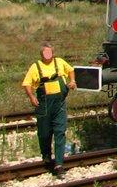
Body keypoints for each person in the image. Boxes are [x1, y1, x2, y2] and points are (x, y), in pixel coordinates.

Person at [21, 42, 76, 176]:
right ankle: (46, 156)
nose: (48, 54)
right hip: (44, 105)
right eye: (45, 52)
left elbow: (71, 70)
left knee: (60, 132)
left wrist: (72, 81)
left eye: (49, 52)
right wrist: (31, 97)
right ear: (41, 54)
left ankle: (59, 164)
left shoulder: (60, 62)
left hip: (59, 105)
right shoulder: (35, 66)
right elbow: (27, 83)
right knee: (44, 133)